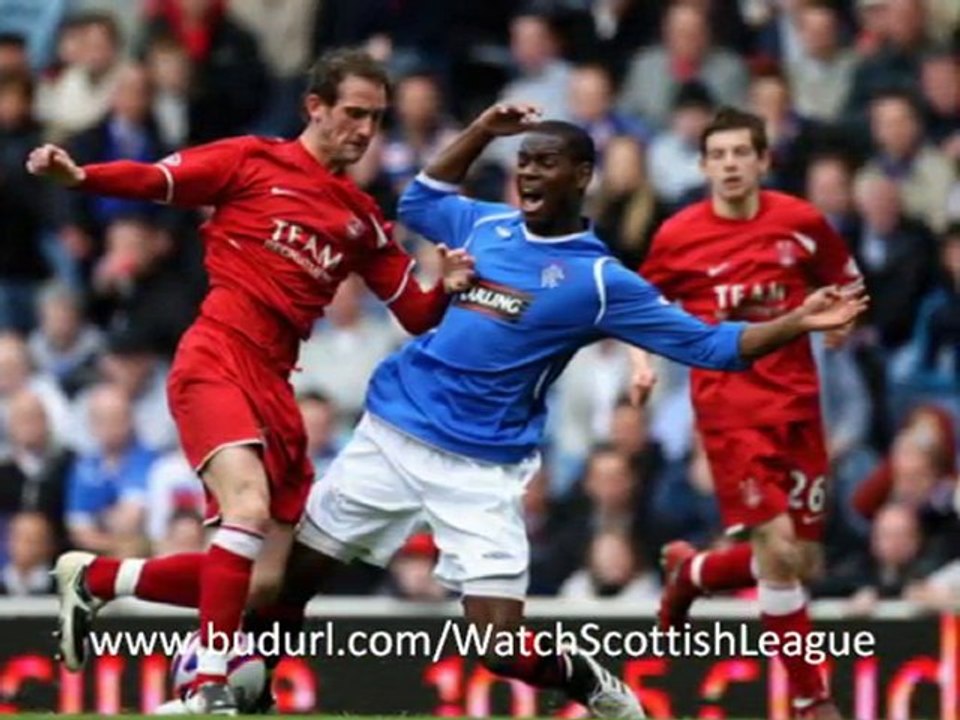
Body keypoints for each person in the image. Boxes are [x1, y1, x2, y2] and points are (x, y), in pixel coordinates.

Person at [171, 103, 858, 716]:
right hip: (391, 433)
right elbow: (419, 200)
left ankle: (583, 677)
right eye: (523, 162)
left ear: (581, 175)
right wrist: (479, 132)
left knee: (497, 648)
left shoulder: (598, 280)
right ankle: (220, 689)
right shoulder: (487, 223)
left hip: (481, 466)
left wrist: (797, 319)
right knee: (282, 591)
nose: (528, 174)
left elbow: (713, 346)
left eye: (545, 164)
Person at [27, 47, 474, 715]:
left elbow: (413, 312)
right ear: (314, 107)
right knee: (245, 510)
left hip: (275, 383)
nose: (363, 131)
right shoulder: (250, 161)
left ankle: (98, 578)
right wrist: (81, 175)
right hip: (216, 358)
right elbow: (155, 180)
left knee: (266, 585)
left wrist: (449, 287)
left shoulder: (361, 218)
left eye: (376, 120)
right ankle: (205, 676)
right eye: (353, 113)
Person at [632, 106, 863, 720]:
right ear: (704, 165)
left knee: (800, 560)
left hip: (799, 406)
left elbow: (845, 281)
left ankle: (695, 572)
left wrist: (844, 319)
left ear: (763, 161)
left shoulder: (803, 222)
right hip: (730, 411)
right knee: (780, 555)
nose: (731, 164)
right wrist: (642, 364)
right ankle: (813, 701)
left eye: (742, 153)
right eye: (719, 154)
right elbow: (638, 305)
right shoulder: (679, 235)